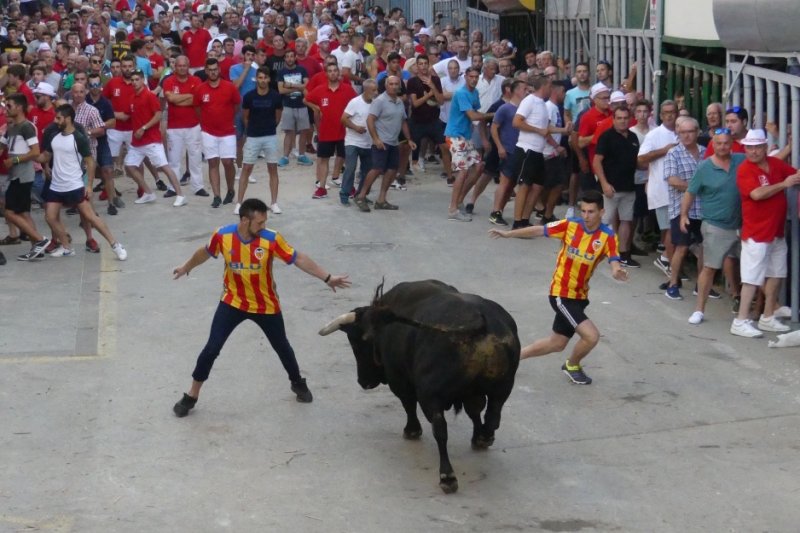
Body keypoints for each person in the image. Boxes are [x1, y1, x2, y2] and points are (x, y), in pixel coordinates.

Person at [171, 198, 351, 417]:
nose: (263, 227)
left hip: (266, 305)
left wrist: (327, 277)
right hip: (232, 302)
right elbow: (205, 252)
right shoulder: (223, 235)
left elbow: (298, 258)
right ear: (245, 220)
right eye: (259, 223)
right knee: (211, 348)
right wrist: (185, 267)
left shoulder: (271, 239)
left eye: (265, 222)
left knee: (282, 347)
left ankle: (297, 382)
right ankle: (192, 395)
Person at [489, 190, 627, 385]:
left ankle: (510, 358)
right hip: (561, 293)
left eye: (591, 212)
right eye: (583, 211)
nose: (586, 216)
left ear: (602, 212)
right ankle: (572, 366)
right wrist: (508, 234)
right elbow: (539, 230)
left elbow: (614, 259)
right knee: (591, 336)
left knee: (557, 343)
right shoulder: (569, 225)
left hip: (579, 297)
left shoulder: (608, 236)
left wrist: (616, 270)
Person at [731, 129, 800, 338]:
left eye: (756, 147)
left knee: (777, 273)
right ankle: (740, 320)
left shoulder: (775, 163)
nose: (752, 151)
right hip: (757, 232)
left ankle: (768, 316)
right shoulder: (745, 170)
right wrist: (783, 184)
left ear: (764, 147)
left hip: (776, 231)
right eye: (749, 147)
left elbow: (795, 174)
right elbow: (757, 194)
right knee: (751, 278)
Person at [39, 104, 127, 260]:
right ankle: (67, 247)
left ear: (68, 119)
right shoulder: (54, 136)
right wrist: (25, 156)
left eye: (58, 118)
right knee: (50, 217)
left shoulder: (78, 138)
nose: (55, 120)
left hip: (74, 184)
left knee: (91, 216)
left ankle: (116, 245)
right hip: (56, 185)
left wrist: (89, 185)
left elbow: (90, 162)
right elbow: (45, 156)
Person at [682, 129, 744, 325]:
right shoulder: (704, 168)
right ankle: (699, 310)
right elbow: (690, 192)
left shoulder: (741, 160)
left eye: (726, 143)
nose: (723, 146)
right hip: (715, 225)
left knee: (752, 269)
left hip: (743, 225)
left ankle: (758, 311)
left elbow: (765, 158)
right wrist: (684, 215)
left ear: (731, 144)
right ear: (713, 145)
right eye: (719, 143)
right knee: (709, 268)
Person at [124, 70, 186, 207]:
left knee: (164, 167)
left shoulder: (150, 96)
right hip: (137, 142)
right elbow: (127, 116)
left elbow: (158, 115)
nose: (134, 82)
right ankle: (148, 193)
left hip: (151, 140)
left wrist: (144, 128)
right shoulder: (132, 97)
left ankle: (180, 195)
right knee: (129, 166)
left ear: (142, 80)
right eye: (132, 80)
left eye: (137, 79)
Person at [353, 75, 415, 211]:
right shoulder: (379, 101)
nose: (393, 86)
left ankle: (381, 200)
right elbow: (370, 120)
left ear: (399, 86)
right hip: (381, 142)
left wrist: (409, 139)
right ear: (386, 86)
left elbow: (403, 121)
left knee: (392, 171)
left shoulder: (399, 102)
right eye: (391, 84)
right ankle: (361, 196)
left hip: (394, 142)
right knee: (376, 169)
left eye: (396, 84)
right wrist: (376, 139)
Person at [0, 94, 50, 261]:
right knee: (23, 212)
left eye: (9, 105)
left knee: (10, 212)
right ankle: (37, 248)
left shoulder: (26, 127)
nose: (6, 109)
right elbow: (2, 146)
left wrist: (15, 159)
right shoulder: (11, 127)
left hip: (23, 176)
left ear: (19, 107)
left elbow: (35, 151)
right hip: (16, 175)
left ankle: (40, 239)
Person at [662, 117, 706, 300]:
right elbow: (673, 180)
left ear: (697, 132)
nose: (686, 136)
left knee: (704, 248)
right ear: (678, 134)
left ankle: (702, 285)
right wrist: (697, 187)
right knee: (681, 247)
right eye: (683, 132)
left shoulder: (706, 152)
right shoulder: (674, 153)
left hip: (704, 210)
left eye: (690, 132)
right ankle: (673, 283)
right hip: (682, 210)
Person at [593, 106, 640, 268]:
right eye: (619, 118)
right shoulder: (606, 137)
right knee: (604, 222)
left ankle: (623, 254)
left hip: (629, 187)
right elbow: (596, 161)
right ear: (614, 119)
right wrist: (604, 184)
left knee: (627, 221)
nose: (622, 121)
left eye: (625, 118)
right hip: (611, 189)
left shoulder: (633, 137)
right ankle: (594, 251)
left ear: (630, 119)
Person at [444, 66, 493, 221]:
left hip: (466, 136)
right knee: (463, 171)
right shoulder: (461, 93)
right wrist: (493, 114)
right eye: (471, 76)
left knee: (479, 166)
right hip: (455, 135)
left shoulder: (474, 93)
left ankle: (459, 201)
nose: (474, 79)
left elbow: (476, 114)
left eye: (476, 77)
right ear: (465, 77)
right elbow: (473, 115)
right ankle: (453, 208)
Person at [193, 58, 241, 208]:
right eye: (210, 70)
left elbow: (237, 106)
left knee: (227, 162)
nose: (213, 72)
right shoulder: (200, 89)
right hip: (208, 132)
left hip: (227, 131)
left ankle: (231, 189)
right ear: (206, 71)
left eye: (215, 69)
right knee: (212, 162)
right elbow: (198, 109)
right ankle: (216, 196)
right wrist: (206, 123)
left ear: (219, 70)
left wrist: (226, 118)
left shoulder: (230, 87)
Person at [304, 63, 357, 199]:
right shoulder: (320, 90)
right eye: (330, 71)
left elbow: (357, 103)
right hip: (326, 132)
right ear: (326, 74)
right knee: (324, 160)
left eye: (335, 71)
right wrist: (317, 108)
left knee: (347, 161)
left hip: (344, 132)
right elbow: (306, 99)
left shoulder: (348, 89)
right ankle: (321, 188)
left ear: (338, 73)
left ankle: (349, 187)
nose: (333, 73)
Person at [235, 67, 283, 215]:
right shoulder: (249, 97)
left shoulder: (275, 97)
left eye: (265, 77)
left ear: (269, 79)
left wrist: (267, 128)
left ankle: (274, 203)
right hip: (253, 137)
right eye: (260, 77)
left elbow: (277, 118)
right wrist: (253, 130)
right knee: (246, 169)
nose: (263, 80)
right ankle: (239, 203)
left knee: (272, 169)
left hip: (270, 137)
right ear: (257, 79)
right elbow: (246, 117)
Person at [638, 100, 679, 276]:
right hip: (662, 190)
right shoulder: (655, 135)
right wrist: (664, 150)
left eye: (673, 112)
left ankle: (668, 260)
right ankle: (668, 263)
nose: (670, 115)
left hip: (679, 190)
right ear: (661, 115)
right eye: (666, 112)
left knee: (674, 229)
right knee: (669, 229)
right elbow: (641, 159)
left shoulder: (682, 132)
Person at [161, 56, 207, 197]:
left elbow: (196, 100)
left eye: (184, 65)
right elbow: (171, 99)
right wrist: (188, 96)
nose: (181, 68)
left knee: (195, 157)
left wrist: (179, 98)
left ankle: (198, 186)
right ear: (175, 66)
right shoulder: (168, 81)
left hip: (193, 126)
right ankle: (173, 188)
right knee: (174, 159)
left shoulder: (196, 80)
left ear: (188, 66)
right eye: (179, 65)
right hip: (174, 127)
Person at [340, 79, 377, 206]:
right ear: (366, 90)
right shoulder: (355, 102)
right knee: (350, 168)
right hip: (353, 141)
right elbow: (343, 119)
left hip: (368, 142)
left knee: (368, 170)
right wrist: (356, 128)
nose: (376, 93)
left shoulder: (376, 103)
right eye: (373, 90)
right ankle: (344, 194)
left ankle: (361, 194)